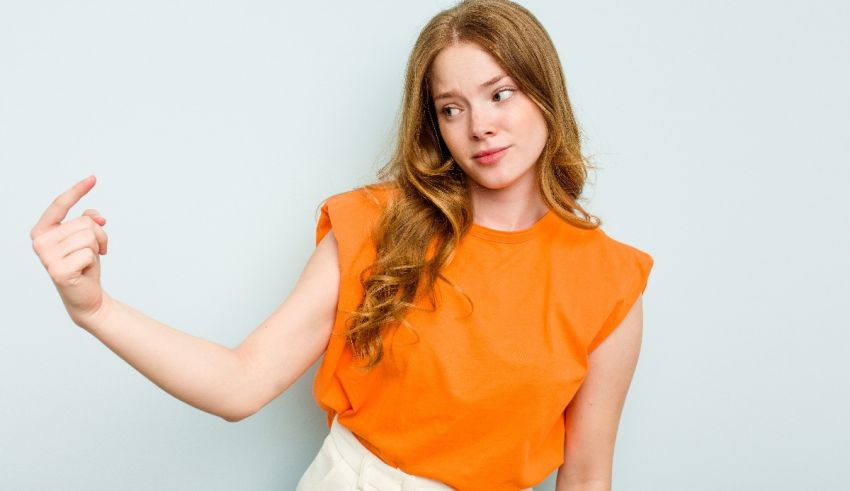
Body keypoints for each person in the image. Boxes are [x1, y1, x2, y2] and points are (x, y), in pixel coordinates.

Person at [30, 0, 653, 489]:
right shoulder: (375, 224)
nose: (480, 125)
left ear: (545, 93)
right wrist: (95, 310)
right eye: (450, 108)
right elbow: (240, 384)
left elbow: (587, 475)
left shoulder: (610, 280)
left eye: (500, 93)